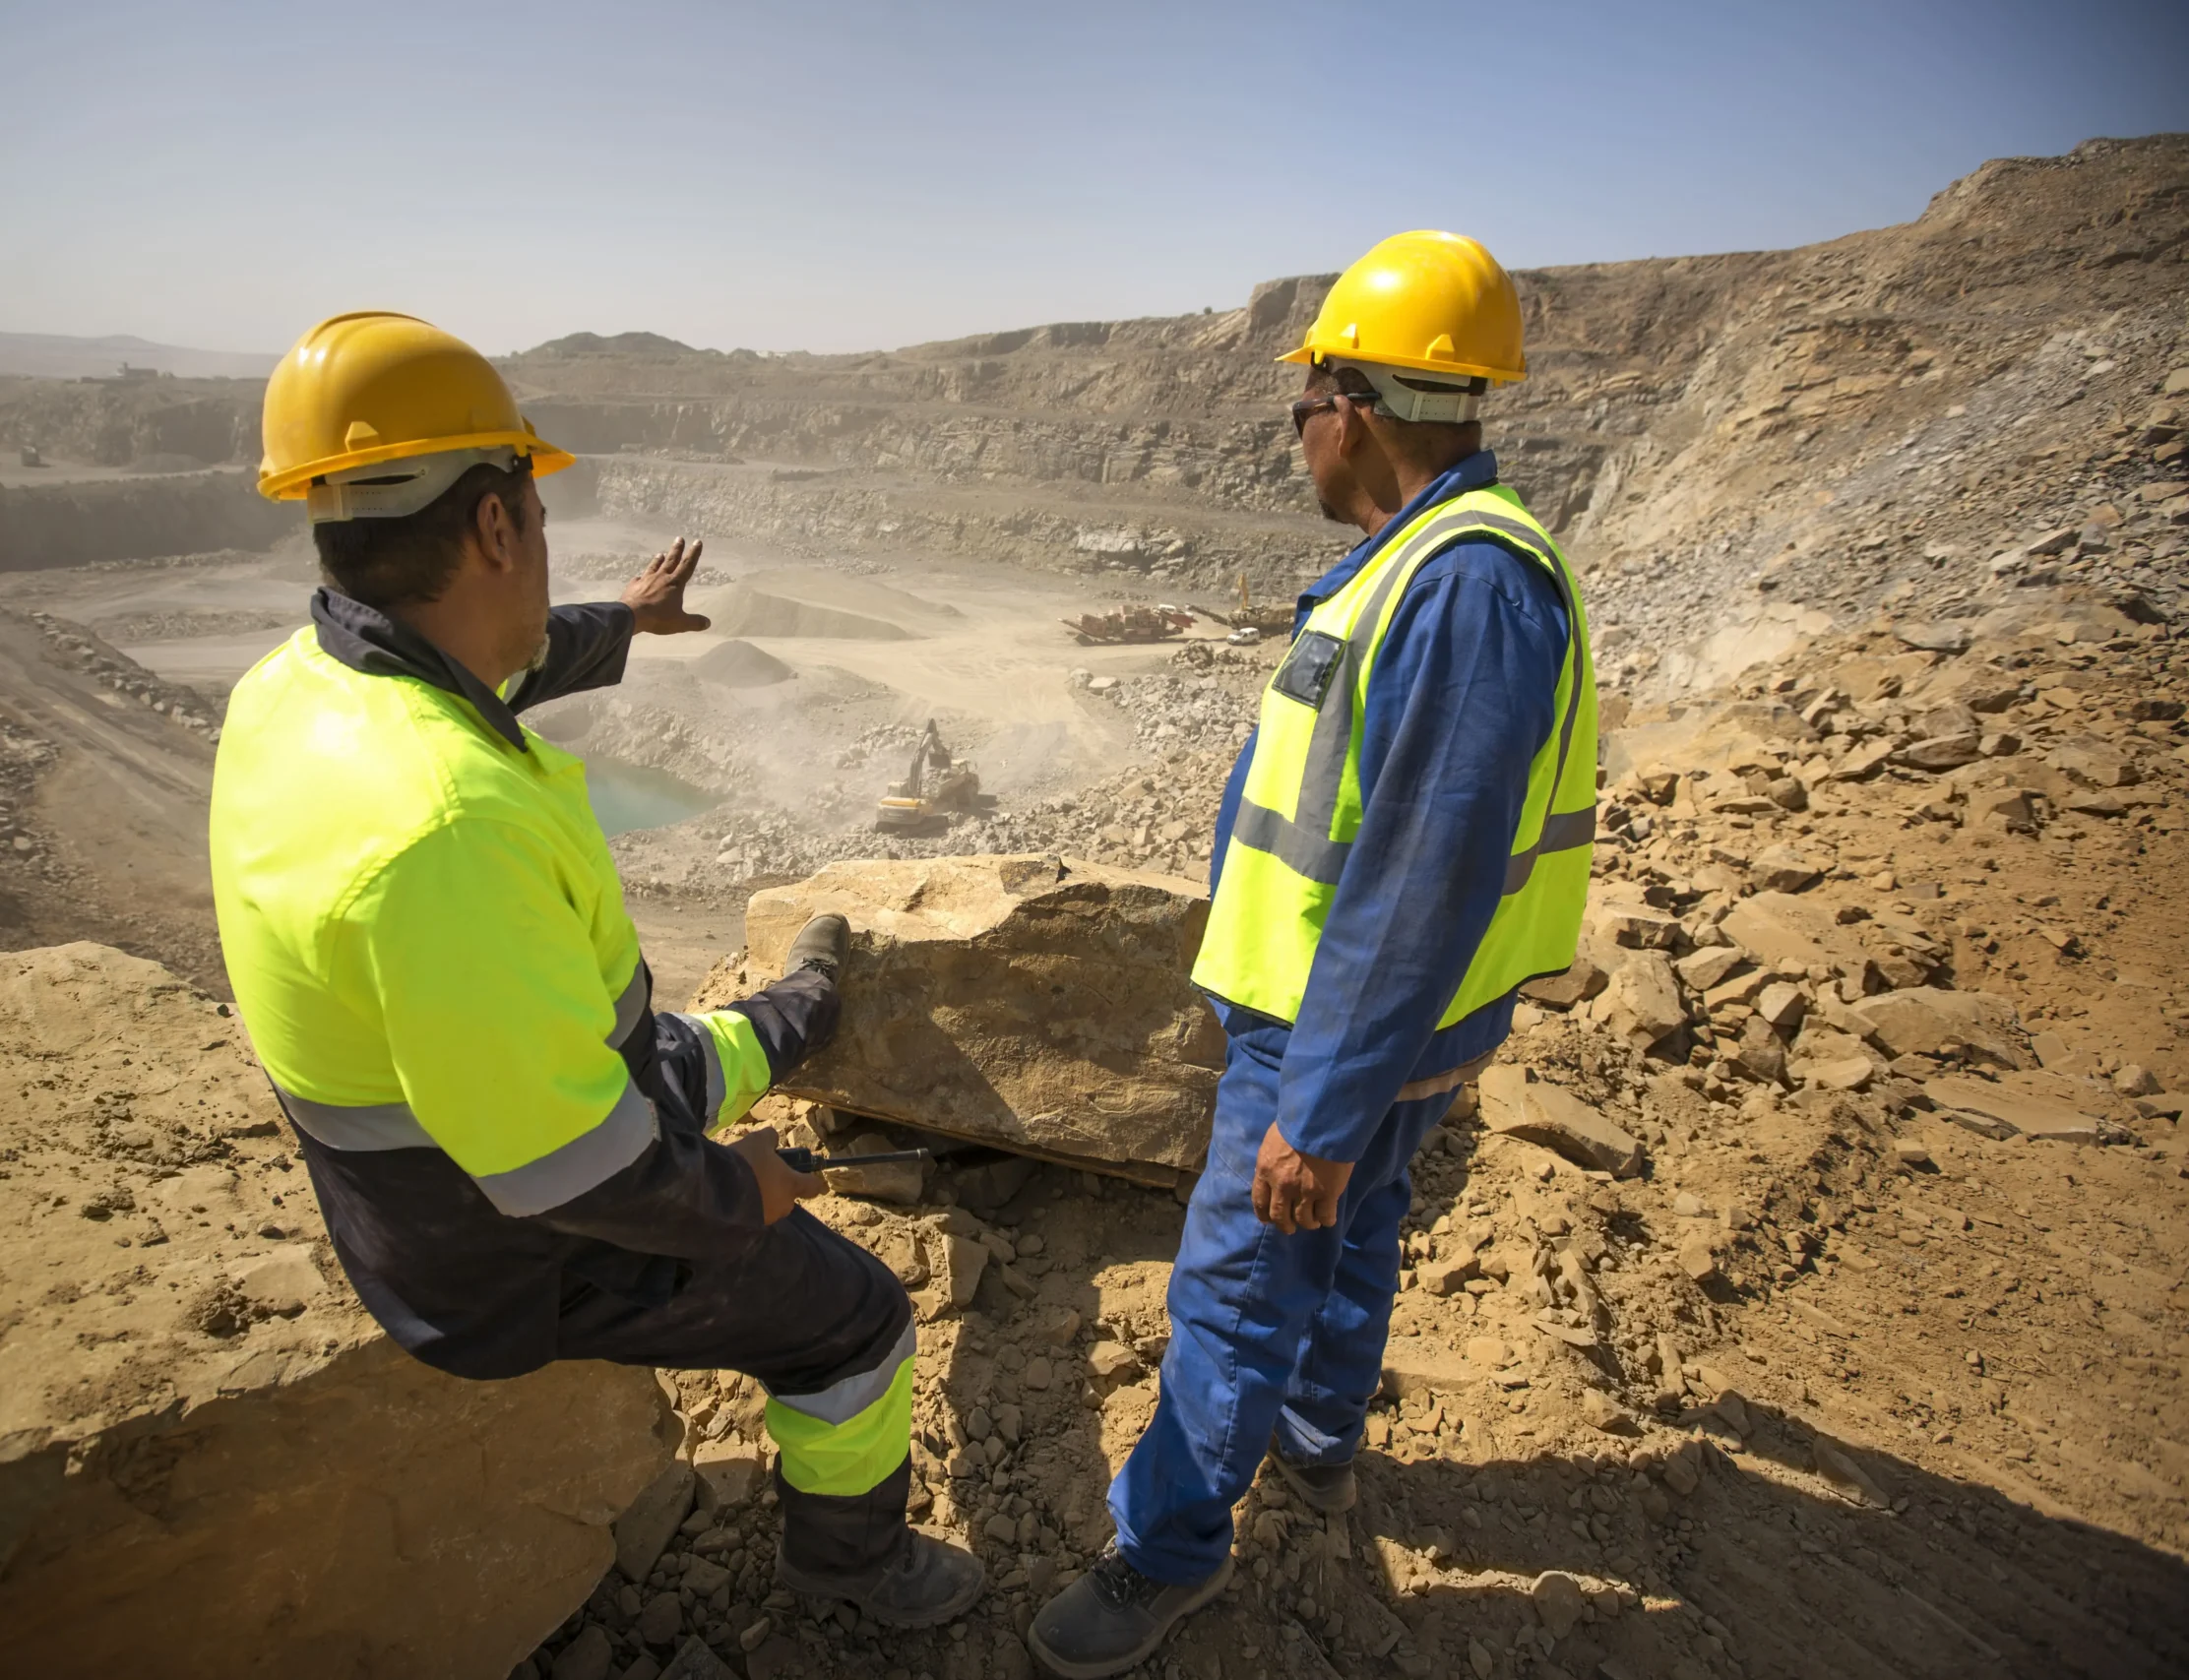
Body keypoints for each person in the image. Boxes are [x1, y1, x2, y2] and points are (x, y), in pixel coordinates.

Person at [209, 312, 983, 1629]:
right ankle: (851, 1570)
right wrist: (745, 1193)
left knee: (722, 1045)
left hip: (485, 1133)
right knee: (856, 1315)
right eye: (536, 522)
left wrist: (620, 623)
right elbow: (575, 1170)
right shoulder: (439, 828)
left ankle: (803, 1007)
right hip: (510, 1245)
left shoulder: (305, 689)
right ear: (499, 527)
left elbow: (484, 664)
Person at [1030, 233, 1596, 1678]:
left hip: (1332, 1032)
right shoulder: (1434, 564)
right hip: (1387, 1028)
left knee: (1237, 1289)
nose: (1297, 436)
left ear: (1353, 399)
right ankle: (1322, 1443)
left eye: (1303, 406)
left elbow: (1419, 873)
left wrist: (1322, 1106)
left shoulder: (1462, 587)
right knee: (1352, 1242)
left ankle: (1166, 1552)